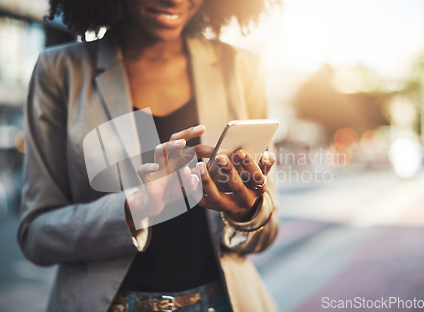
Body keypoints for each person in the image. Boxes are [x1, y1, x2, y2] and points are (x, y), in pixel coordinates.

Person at [17, 0, 280, 311]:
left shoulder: (240, 66)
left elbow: (267, 230)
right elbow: (36, 235)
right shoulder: (60, 70)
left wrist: (245, 213)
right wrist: (134, 207)